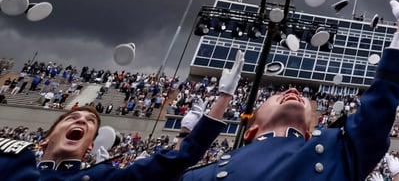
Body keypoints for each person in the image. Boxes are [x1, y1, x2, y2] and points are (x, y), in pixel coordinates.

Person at [183, 0, 399, 180]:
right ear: (250, 129)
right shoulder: (202, 175)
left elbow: (380, 106)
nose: (293, 90)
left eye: (301, 96)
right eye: (277, 94)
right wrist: (218, 105)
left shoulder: (337, 152)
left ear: (308, 132)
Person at [0, 53, 239, 180]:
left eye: (90, 122)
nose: (82, 120)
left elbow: (177, 160)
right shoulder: (11, 164)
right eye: (72, 118)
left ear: (91, 145)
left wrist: (223, 98)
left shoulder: (102, 177)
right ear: (46, 137)